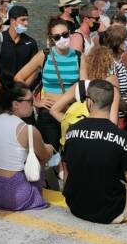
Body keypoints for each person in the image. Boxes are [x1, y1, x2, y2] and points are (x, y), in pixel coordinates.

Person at [63, 79, 127, 224]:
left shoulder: (71, 131)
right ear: (111, 103)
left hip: (75, 205)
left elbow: (67, 174)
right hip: (109, 211)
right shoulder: (123, 138)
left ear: (89, 102)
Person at [0, 76, 53, 211]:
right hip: (14, 196)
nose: (33, 104)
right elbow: (45, 156)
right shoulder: (27, 130)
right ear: (15, 104)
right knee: (40, 154)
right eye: (30, 101)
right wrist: (50, 148)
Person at [14, 17, 80, 150]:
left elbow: (84, 85)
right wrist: (34, 101)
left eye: (65, 35)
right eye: (57, 37)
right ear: (51, 39)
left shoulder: (79, 57)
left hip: (72, 111)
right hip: (48, 112)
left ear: (70, 34)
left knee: (71, 153)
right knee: (51, 152)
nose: (62, 39)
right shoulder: (43, 55)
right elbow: (19, 77)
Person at [0, 5, 38, 114]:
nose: (26, 23)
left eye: (27, 20)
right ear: (13, 21)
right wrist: (1, 87)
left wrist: (23, 89)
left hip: (22, 97)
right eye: (23, 20)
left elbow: (35, 69)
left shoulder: (31, 43)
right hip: (0, 95)